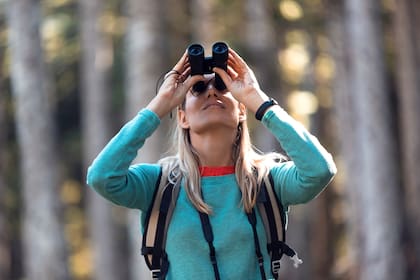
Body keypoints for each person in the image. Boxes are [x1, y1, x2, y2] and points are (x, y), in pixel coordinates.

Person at [87, 46, 337, 280]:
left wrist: (258, 100)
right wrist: (160, 106)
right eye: (197, 88)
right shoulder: (160, 185)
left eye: (221, 85)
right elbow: (102, 176)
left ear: (241, 111)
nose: (211, 90)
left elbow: (319, 170)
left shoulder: (268, 181)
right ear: (182, 118)